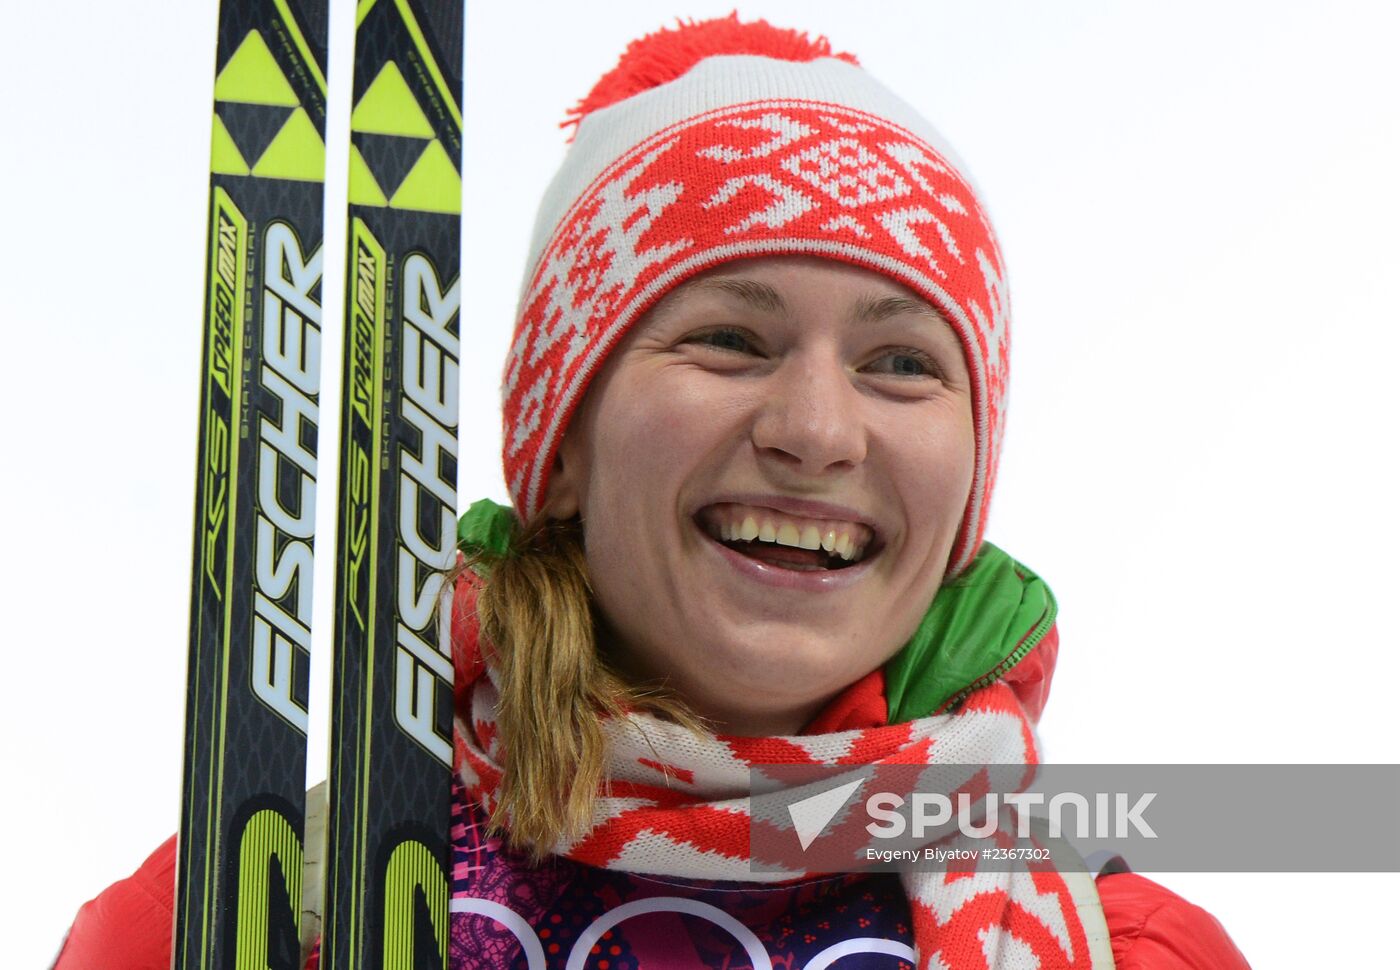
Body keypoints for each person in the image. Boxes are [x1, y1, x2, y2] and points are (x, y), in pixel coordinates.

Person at [56, 15, 1251, 970]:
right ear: (561, 444)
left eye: (901, 363)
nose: (818, 432)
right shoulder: (253, 910)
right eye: (729, 337)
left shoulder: (1128, 947)